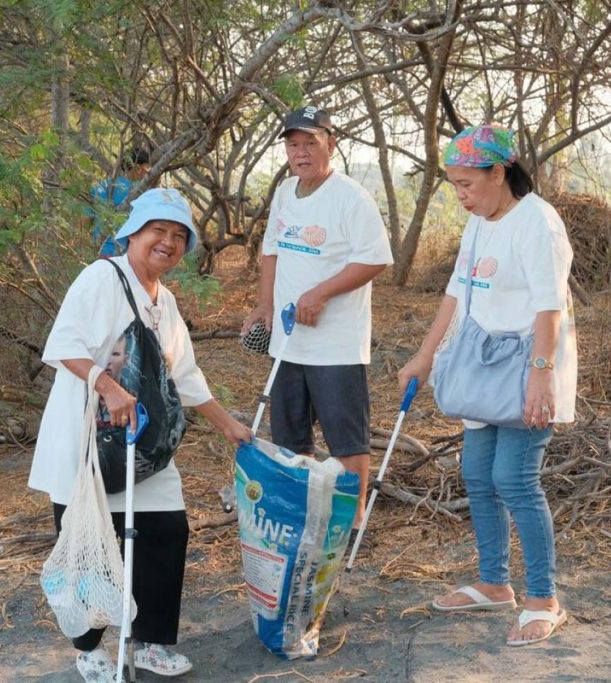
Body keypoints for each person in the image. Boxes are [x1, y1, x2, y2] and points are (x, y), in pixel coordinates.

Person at [29, 188, 252, 681]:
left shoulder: (164, 299)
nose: (167, 243)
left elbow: (185, 376)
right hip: (89, 442)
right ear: (133, 233)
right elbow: (63, 345)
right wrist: (107, 386)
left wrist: (229, 424)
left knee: (165, 532)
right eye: (159, 231)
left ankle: (148, 642)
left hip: (144, 445)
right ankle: (89, 651)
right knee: (88, 543)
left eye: (178, 236)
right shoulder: (101, 277)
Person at [398, 124, 577, 646]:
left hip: (527, 366)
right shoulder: (479, 223)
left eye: (467, 185)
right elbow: (455, 295)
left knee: (515, 480)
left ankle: (544, 597)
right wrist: (425, 355)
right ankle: (495, 583)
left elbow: (551, 307)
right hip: (481, 363)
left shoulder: (537, 224)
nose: (461, 197)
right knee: (477, 475)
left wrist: (540, 380)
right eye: (453, 186)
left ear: (499, 173)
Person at [240, 106, 393, 526]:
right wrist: (264, 304)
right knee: (289, 434)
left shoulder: (350, 198)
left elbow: (376, 259)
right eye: (293, 144)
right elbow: (271, 249)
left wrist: (322, 293)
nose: (301, 152)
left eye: (310, 142)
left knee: (346, 436)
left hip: (336, 342)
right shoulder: (286, 192)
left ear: (331, 143)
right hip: (288, 337)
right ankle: (301, 511)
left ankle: (353, 519)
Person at [88, 148, 152, 257]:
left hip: (98, 250)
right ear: (138, 168)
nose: (148, 171)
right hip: (125, 254)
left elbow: (86, 219)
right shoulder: (140, 193)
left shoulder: (101, 186)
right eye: (147, 166)